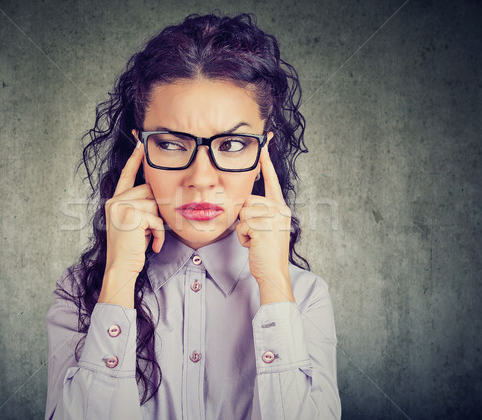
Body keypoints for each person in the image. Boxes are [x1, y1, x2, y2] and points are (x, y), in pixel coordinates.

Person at [45, 12, 341, 419]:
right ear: (140, 151)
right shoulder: (81, 293)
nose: (201, 179)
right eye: (170, 144)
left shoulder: (304, 297)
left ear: (262, 154)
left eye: (234, 143)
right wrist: (116, 285)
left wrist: (274, 286)